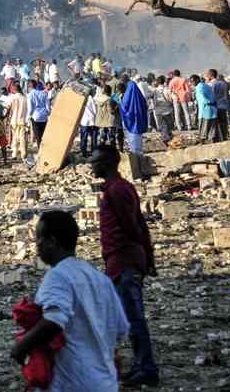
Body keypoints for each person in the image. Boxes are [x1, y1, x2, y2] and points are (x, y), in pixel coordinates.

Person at [10, 210, 129, 391]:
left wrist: (22, 346)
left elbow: (54, 320)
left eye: (40, 238)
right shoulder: (100, 279)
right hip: (105, 382)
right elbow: (121, 329)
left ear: (52, 242)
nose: (37, 245)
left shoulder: (58, 276)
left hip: (73, 382)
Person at [89, 146, 159, 387]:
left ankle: (147, 368)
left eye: (96, 161)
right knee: (129, 318)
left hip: (124, 261)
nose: (92, 166)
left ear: (108, 163)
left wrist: (143, 257)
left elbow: (132, 225)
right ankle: (140, 366)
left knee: (134, 318)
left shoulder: (117, 190)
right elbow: (139, 223)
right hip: (123, 260)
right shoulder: (120, 188)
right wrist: (148, 257)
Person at [6, 81, 30, 161]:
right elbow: (28, 110)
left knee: (15, 138)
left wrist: (5, 116)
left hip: (14, 121)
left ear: (15, 89)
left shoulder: (12, 97)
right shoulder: (25, 98)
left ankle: (14, 154)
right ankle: (24, 154)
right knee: (22, 138)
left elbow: (7, 107)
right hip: (22, 121)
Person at [193, 73, 219, 143]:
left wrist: (207, 102)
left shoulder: (199, 87)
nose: (192, 83)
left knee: (203, 130)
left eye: (193, 81)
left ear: (197, 80)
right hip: (213, 109)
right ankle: (213, 140)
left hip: (204, 111)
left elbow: (202, 98)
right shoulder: (207, 86)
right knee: (212, 129)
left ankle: (203, 142)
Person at [209, 69, 230, 141]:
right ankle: (226, 137)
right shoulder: (223, 83)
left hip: (215, 106)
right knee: (224, 122)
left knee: (216, 124)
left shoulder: (211, 84)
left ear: (210, 75)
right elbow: (226, 95)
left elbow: (212, 96)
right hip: (223, 105)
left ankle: (219, 138)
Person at [151, 76, 174, 144]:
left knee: (162, 126)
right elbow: (172, 99)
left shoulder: (154, 90)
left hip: (158, 111)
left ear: (157, 82)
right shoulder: (167, 89)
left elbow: (149, 97)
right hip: (167, 110)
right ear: (164, 82)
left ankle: (165, 138)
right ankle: (167, 138)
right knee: (168, 126)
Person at [27, 80, 50, 147]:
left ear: (30, 86)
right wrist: (47, 114)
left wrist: (28, 116)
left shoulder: (30, 94)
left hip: (35, 117)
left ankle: (40, 150)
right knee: (44, 135)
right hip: (44, 117)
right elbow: (48, 107)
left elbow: (30, 108)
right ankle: (45, 149)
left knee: (38, 136)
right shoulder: (44, 93)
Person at [94, 84, 116, 149]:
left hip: (100, 121)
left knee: (102, 137)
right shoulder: (109, 100)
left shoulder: (97, 98)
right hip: (108, 121)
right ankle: (112, 151)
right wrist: (115, 108)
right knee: (111, 137)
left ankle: (101, 150)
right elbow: (110, 111)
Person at [79, 88, 97, 157]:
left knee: (84, 138)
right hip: (92, 121)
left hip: (84, 121)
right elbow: (95, 111)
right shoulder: (91, 98)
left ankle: (83, 153)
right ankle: (93, 152)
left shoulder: (81, 98)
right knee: (93, 138)